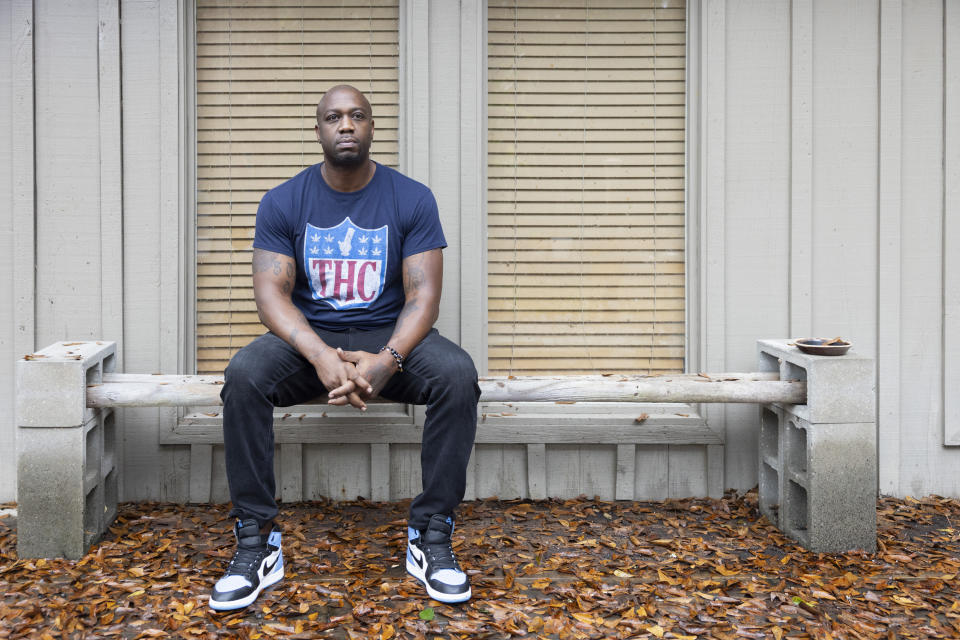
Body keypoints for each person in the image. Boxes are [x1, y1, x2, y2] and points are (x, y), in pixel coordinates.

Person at [208, 85, 480, 611]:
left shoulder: (411, 197)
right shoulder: (284, 200)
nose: (347, 125)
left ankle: (431, 534)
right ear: (319, 130)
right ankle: (256, 540)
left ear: (372, 127)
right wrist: (320, 356)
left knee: (456, 374)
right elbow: (271, 296)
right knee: (243, 376)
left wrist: (388, 361)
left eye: (357, 116)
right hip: (312, 344)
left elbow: (424, 297)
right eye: (334, 117)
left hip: (388, 341)